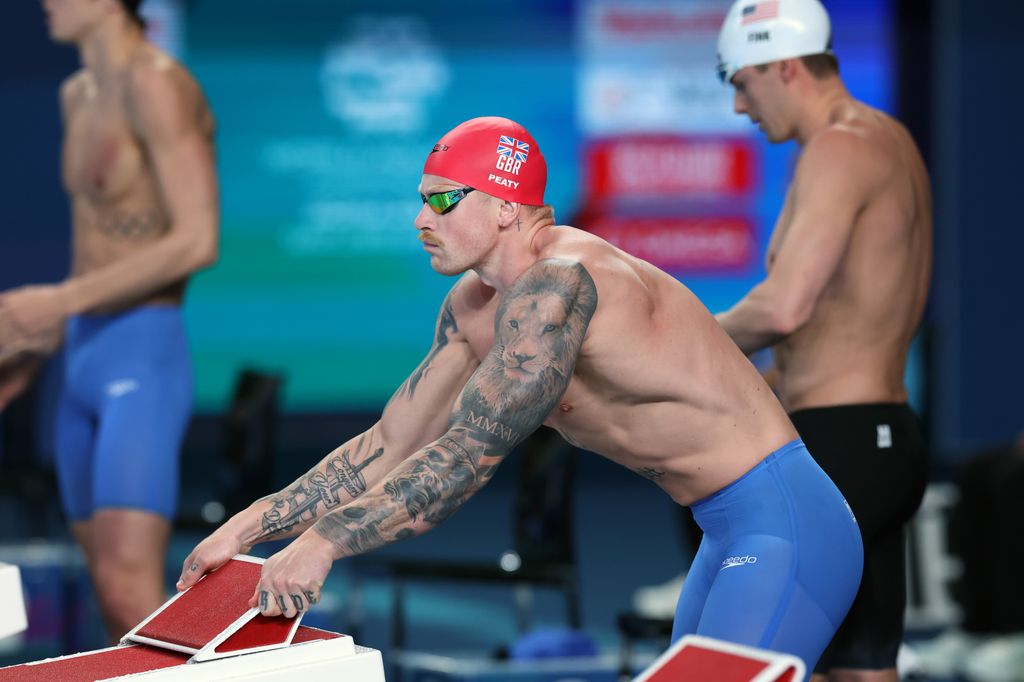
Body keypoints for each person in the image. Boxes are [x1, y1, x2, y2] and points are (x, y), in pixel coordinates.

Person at [178, 116, 861, 674]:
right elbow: (393, 443)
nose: (420, 218)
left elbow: (466, 458)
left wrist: (324, 543)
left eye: (442, 200)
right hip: (722, 534)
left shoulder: (562, 283)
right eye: (419, 198)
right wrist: (244, 531)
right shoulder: (472, 306)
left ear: (505, 207)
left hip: (785, 523)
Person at [713, 1, 932, 680]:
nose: (741, 109)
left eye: (741, 84)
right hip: (881, 442)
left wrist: (683, 346)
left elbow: (783, 309)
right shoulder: (885, 140)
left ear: (782, 66)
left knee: (741, 661)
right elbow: (834, 320)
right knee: (863, 670)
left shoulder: (840, 146)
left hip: (839, 452)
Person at [0, 0, 218, 640]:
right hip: (83, 356)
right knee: (108, 594)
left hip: (140, 355)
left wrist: (59, 301)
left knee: (131, 594)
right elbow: (97, 242)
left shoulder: (156, 82)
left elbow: (197, 240)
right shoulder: (77, 92)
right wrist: (37, 343)